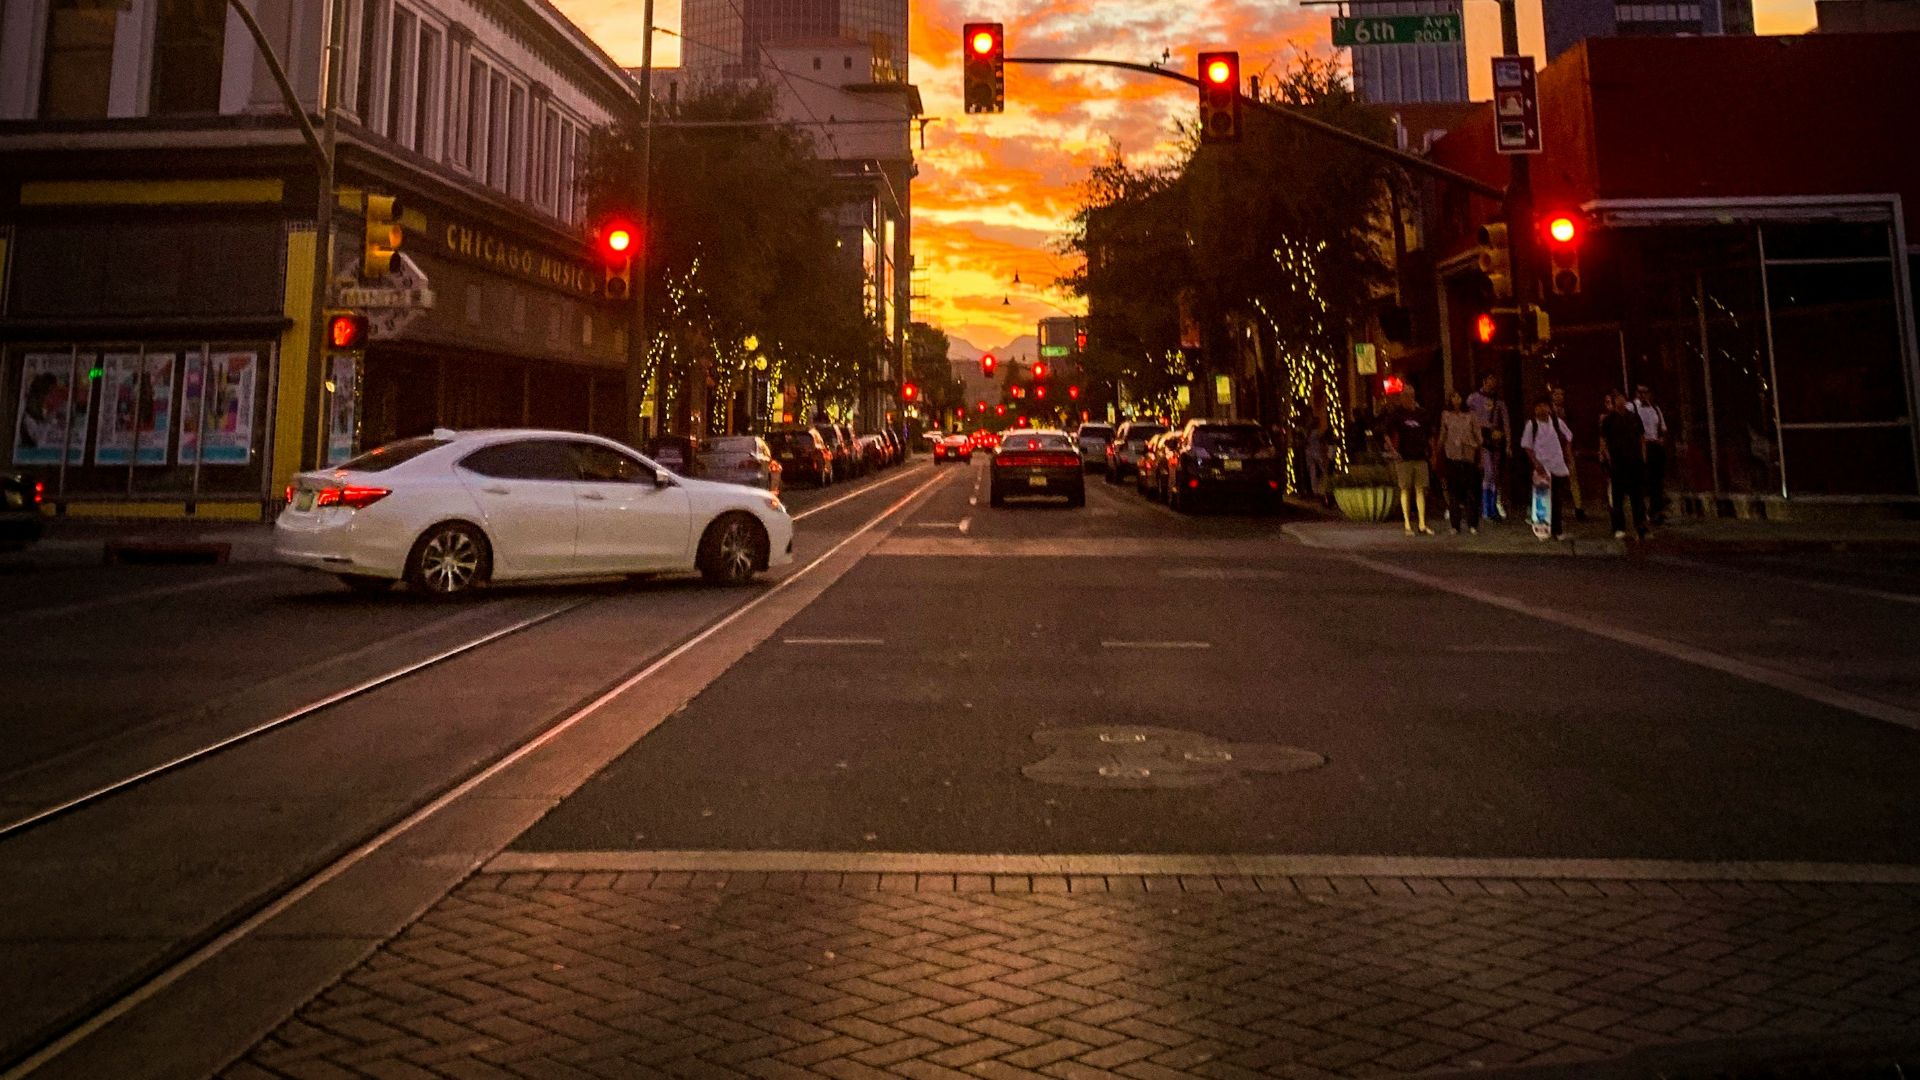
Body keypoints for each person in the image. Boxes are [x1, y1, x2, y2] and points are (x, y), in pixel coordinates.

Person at [1520, 397, 1575, 541]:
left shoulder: (1557, 423)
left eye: (1544, 406)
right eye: (1538, 406)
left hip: (1557, 465)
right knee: (1542, 499)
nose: (1541, 409)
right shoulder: (1531, 425)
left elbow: (1569, 436)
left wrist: (1567, 455)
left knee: (1557, 499)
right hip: (1541, 467)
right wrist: (1536, 463)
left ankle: (1557, 530)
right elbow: (1527, 446)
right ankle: (1542, 529)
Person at [1383, 387, 1434, 535]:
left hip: (1420, 457)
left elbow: (1430, 434)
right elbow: (1386, 432)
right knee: (1405, 489)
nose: (1406, 399)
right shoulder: (1397, 414)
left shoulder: (1422, 414)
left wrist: (1432, 452)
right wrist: (1393, 450)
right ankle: (1407, 524)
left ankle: (1422, 523)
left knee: (1420, 490)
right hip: (1404, 457)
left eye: (1409, 396)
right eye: (1404, 396)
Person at [1598, 390, 1648, 539]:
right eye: (1617, 398)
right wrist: (1607, 456)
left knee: (1637, 497)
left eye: (1622, 398)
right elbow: (1603, 440)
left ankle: (1641, 526)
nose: (1620, 400)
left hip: (1635, 461)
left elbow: (1642, 438)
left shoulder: (1634, 417)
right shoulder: (1608, 420)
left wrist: (1643, 458)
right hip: (1617, 463)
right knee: (1617, 497)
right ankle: (1618, 527)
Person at [1466, 375, 1509, 522]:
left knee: (1495, 474)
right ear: (1484, 380)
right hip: (1481, 438)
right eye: (1490, 379)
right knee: (1488, 472)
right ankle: (1485, 508)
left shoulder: (1499, 401)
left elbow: (1506, 422)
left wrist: (1508, 442)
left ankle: (1492, 508)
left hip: (1495, 439)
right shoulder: (1473, 398)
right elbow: (1469, 420)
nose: (1493, 381)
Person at [1438, 390, 1481, 534]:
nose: (1455, 399)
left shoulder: (1470, 415)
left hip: (1468, 456)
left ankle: (1472, 523)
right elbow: (1443, 435)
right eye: (1452, 397)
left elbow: (1478, 435)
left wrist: (1474, 445)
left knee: (1470, 491)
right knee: (1454, 492)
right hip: (1452, 456)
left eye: (1457, 396)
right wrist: (1437, 451)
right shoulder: (1446, 415)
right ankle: (1455, 524)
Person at [1630, 384, 1669, 524]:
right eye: (1640, 392)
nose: (1643, 395)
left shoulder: (1655, 409)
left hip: (1655, 445)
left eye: (1645, 392)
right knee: (1641, 480)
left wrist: (1661, 439)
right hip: (1641, 446)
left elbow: (1663, 427)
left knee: (1656, 480)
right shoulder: (1632, 407)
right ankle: (1640, 511)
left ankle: (1656, 511)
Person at [1551, 386, 1584, 522]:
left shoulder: (1568, 411)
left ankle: (1578, 507)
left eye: (1561, 394)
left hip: (1567, 448)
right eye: (1556, 394)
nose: (1559, 397)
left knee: (1573, 478)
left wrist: (1573, 448)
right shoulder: (1548, 411)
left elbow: (1573, 429)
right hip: (1552, 449)